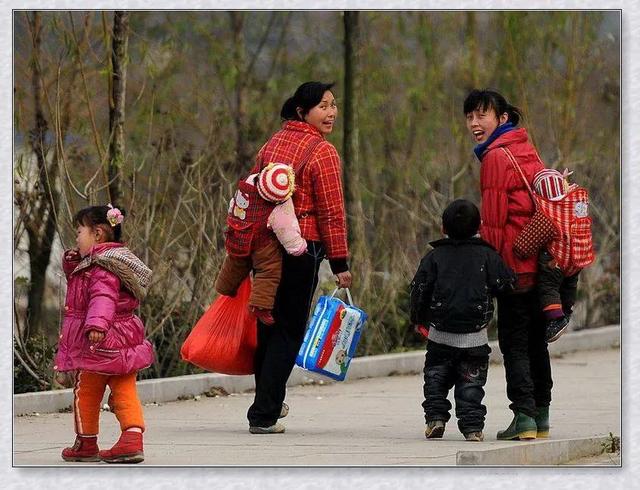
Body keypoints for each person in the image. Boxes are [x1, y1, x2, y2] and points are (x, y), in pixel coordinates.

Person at [246, 81, 352, 434]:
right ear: (302, 111)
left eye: (333, 105)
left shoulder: (270, 145)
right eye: (323, 106)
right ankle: (264, 413)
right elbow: (332, 212)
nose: (331, 112)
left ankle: (268, 401)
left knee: (268, 324)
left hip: (264, 248)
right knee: (289, 330)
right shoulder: (322, 152)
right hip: (301, 249)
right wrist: (340, 262)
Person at [464, 88, 555, 440]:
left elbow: (494, 224)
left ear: (502, 118)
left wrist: (493, 273)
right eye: (470, 116)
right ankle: (542, 414)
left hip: (515, 265)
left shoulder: (496, 158)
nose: (474, 122)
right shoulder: (525, 148)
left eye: (482, 115)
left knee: (515, 343)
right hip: (541, 262)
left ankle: (525, 418)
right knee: (536, 342)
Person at [54, 204, 154, 463]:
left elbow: (102, 296)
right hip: (122, 337)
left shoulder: (102, 266)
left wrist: (97, 326)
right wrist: (74, 262)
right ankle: (132, 439)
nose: (76, 238)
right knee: (124, 388)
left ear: (97, 234)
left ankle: (86, 443)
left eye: (79, 232)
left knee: (85, 390)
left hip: (99, 340)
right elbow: (84, 285)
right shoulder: (116, 259)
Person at [410, 199, 516, 442]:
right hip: (474, 338)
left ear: (442, 229)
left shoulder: (434, 257)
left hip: (439, 336)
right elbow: (506, 286)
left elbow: (419, 289)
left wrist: (418, 319)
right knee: (471, 386)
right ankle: (472, 428)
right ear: (480, 226)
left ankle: (435, 419)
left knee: (435, 379)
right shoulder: (488, 256)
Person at [214, 162, 307, 325]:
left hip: (238, 233)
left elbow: (233, 204)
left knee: (235, 260)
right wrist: (299, 248)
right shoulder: (281, 205)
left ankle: (224, 288)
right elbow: (288, 231)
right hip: (262, 243)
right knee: (269, 270)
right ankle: (260, 306)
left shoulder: (249, 181)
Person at [529, 168, 581, 342]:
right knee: (570, 284)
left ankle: (556, 318)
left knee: (548, 286)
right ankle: (566, 310)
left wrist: (519, 250)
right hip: (576, 257)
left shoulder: (546, 216)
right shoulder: (574, 205)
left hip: (554, 259)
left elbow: (525, 244)